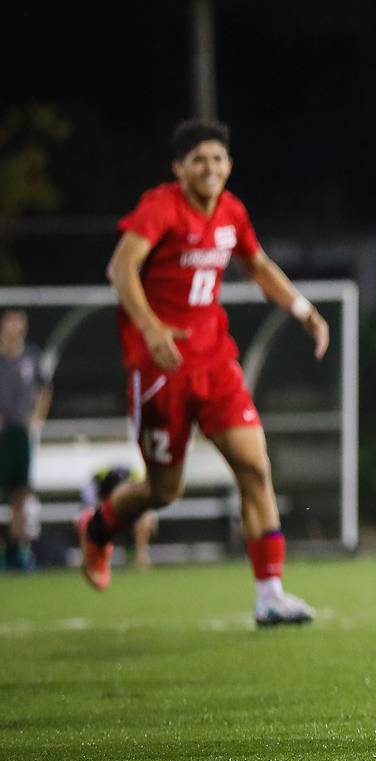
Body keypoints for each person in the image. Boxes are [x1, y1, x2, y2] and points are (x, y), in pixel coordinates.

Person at [74, 120, 328, 627]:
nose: (210, 168)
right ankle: (98, 527)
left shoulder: (232, 211)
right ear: (179, 168)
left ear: (229, 165)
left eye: (217, 159)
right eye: (198, 160)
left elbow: (256, 266)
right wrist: (150, 328)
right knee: (165, 491)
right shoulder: (160, 207)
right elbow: (120, 269)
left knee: (255, 468)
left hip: (215, 363)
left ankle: (270, 595)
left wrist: (304, 310)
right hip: (161, 368)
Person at [0, 309, 52, 571]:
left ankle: (17, 551)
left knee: (20, 495)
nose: (15, 328)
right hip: (2, 433)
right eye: (10, 322)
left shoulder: (32, 356)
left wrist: (37, 417)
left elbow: (46, 388)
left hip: (21, 433)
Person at [82, 465, 159, 569]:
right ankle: (93, 559)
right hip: (104, 511)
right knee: (89, 519)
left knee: (145, 518)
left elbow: (147, 508)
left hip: (127, 513)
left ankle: (141, 557)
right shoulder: (98, 483)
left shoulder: (136, 481)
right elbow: (90, 508)